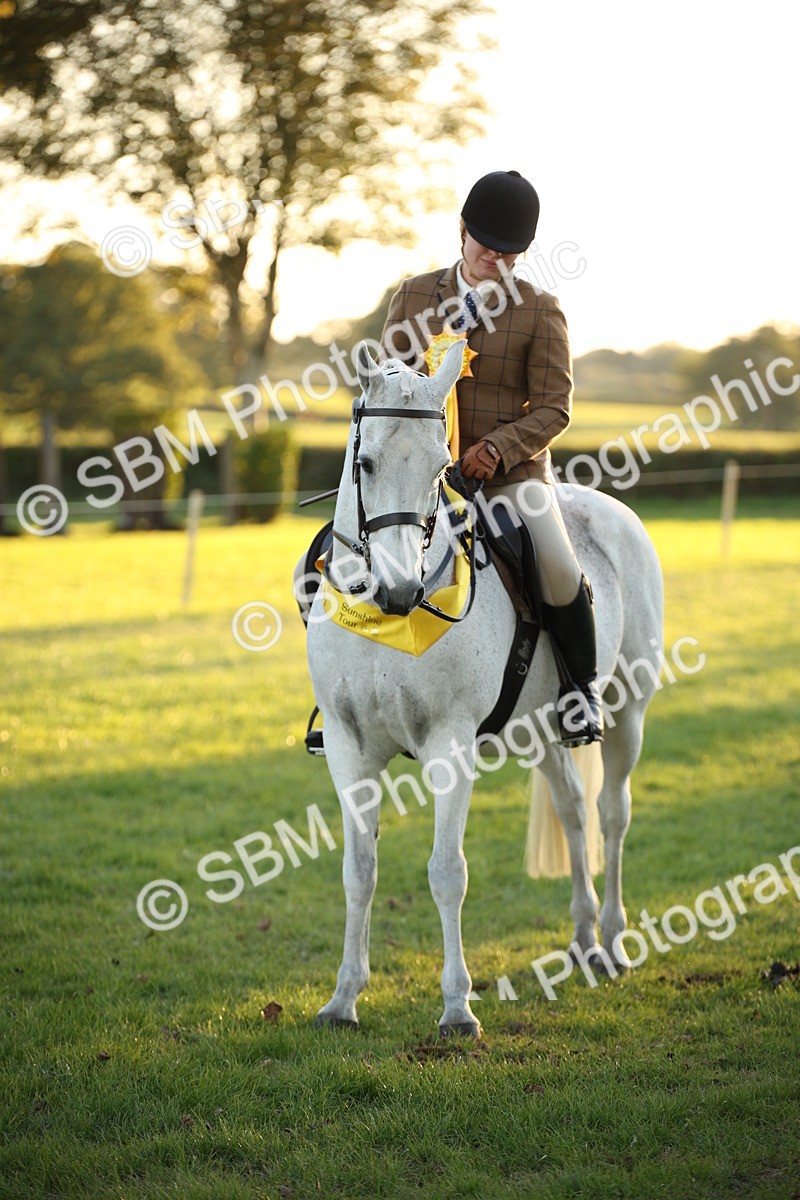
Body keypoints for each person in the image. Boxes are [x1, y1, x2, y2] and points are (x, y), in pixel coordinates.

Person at [378, 169, 603, 746]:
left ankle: (581, 692)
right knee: (341, 548)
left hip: (510, 477)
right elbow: (389, 386)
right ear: (462, 232)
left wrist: (497, 448)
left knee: (555, 561)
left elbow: (555, 409)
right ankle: (340, 700)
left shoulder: (540, 309)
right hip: (424, 470)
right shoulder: (414, 295)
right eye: (486, 246)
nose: (494, 259)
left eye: (509, 253)